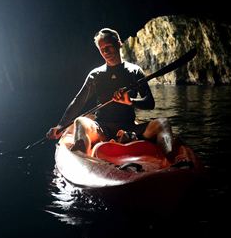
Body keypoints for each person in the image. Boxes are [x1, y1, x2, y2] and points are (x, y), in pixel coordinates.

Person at [46, 28, 175, 157]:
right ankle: (83, 157)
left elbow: (150, 103)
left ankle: (171, 158)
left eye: (109, 46)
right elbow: (79, 101)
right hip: (102, 129)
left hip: (129, 127)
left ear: (119, 44)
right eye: (102, 49)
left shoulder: (135, 71)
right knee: (80, 121)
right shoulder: (95, 75)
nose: (106, 52)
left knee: (163, 123)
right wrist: (61, 125)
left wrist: (130, 101)